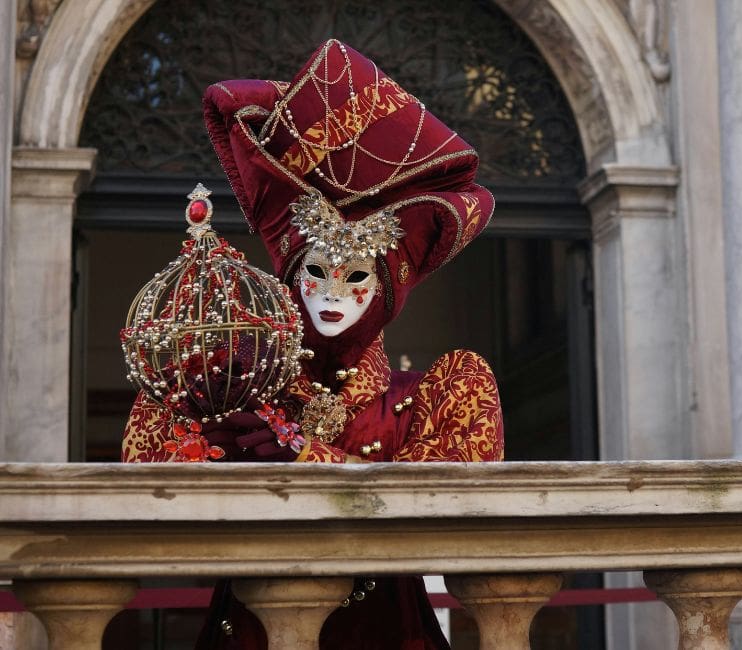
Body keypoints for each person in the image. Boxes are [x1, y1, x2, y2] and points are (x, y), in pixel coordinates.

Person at [122, 39, 503, 648]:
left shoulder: (442, 391)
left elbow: (455, 504)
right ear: (289, 280)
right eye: (316, 273)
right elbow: (141, 487)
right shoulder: (237, 383)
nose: (332, 293)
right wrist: (207, 453)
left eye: (356, 276)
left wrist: (307, 456)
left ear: (386, 292)